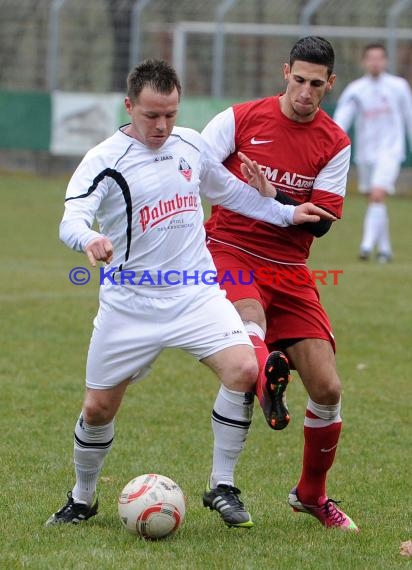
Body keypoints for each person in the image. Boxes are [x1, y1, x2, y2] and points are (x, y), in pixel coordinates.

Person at [45, 59, 333, 529]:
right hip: (130, 303)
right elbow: (72, 216)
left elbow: (234, 194)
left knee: (244, 369)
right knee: (97, 408)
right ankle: (82, 497)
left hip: (195, 294)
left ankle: (223, 485)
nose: (162, 126)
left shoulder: (190, 146)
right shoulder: (104, 159)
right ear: (128, 106)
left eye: (170, 115)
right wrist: (88, 238)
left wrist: (285, 214)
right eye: (151, 115)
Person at [201, 36, 359, 531]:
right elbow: (196, 171)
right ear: (284, 72)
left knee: (329, 388)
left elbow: (322, 222)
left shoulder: (334, 143)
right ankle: (264, 370)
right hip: (229, 248)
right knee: (251, 321)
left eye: (317, 84)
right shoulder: (239, 118)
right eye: (299, 80)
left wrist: (279, 201)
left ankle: (311, 494)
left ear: (329, 84)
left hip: (288, 268)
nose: (306, 92)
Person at [334, 42, 412, 263]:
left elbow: (409, 117)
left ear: (386, 61)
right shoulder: (356, 90)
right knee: (376, 200)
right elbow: (341, 120)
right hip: (367, 154)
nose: (375, 62)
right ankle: (385, 250)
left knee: (378, 194)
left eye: (379, 58)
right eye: (371, 58)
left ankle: (366, 246)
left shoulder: (398, 86)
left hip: (391, 151)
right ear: (364, 62)